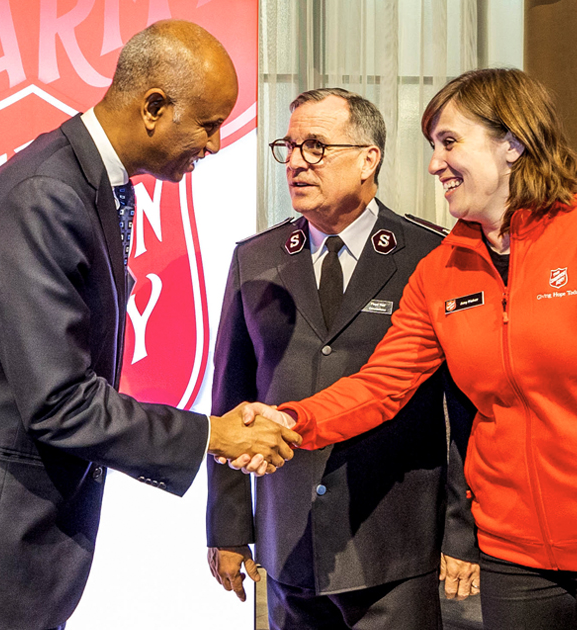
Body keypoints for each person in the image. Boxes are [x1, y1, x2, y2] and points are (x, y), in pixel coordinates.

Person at [240, 68, 577, 630]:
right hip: (515, 562)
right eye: (433, 146)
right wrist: (291, 419)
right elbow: (382, 384)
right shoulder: (441, 270)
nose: (435, 163)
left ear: (512, 143)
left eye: (449, 142)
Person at [0, 21, 300, 630]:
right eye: (207, 123)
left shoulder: (89, 179)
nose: (216, 142)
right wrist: (213, 436)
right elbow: (60, 403)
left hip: (0, 535)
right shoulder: (47, 194)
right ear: (153, 107)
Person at [205, 88, 480, 630]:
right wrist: (228, 527)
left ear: (368, 158)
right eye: (289, 146)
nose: (297, 162)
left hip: (393, 543)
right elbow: (230, 400)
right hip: (290, 543)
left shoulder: (430, 254)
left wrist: (462, 530)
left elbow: (462, 411)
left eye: (317, 146)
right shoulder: (255, 258)